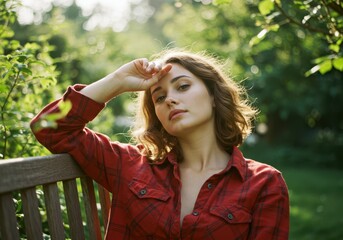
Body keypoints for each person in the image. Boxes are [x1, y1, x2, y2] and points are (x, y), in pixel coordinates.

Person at [31, 49, 289, 239]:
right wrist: (118, 80)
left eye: (183, 87)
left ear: (213, 95)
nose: (170, 100)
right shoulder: (130, 165)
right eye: (159, 97)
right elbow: (49, 126)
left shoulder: (264, 183)